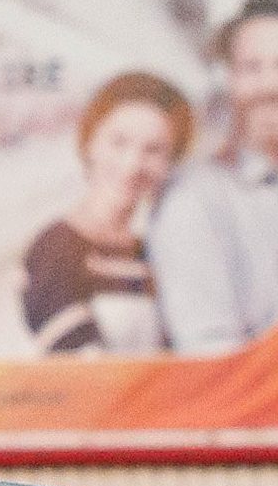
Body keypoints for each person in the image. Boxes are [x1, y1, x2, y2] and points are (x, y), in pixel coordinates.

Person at [146, 0, 278, 354]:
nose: (270, 84)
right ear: (230, 83)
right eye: (251, 68)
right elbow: (207, 354)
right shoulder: (194, 201)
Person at [21, 72, 193, 355]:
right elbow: (83, 374)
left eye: (154, 150)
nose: (133, 164)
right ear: (90, 143)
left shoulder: (148, 250)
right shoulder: (56, 249)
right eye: (118, 142)